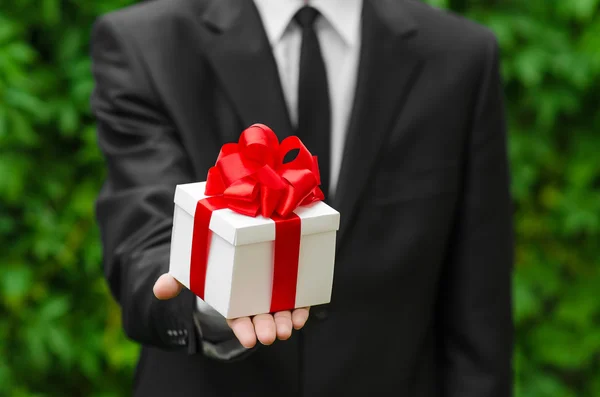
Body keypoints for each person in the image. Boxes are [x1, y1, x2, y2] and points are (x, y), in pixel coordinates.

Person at [91, 0, 514, 395]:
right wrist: (212, 294)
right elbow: (147, 233)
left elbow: (480, 309)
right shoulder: (147, 44)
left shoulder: (460, 56)